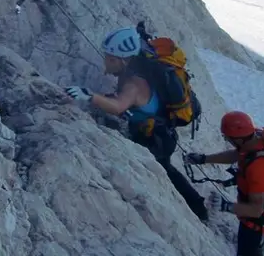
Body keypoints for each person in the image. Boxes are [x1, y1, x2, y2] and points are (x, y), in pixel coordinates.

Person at [65, 26, 209, 222]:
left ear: (125, 60)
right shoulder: (138, 68)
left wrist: (91, 96)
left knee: (165, 173)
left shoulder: (133, 84)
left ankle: (198, 209)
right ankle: (197, 206)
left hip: (155, 139)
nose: (107, 62)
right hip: (158, 131)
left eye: (112, 59)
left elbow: (118, 106)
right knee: (166, 171)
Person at [183, 111, 264, 256]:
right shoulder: (254, 139)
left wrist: (225, 206)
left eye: (228, 138)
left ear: (239, 140)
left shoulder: (258, 168)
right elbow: (237, 154)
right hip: (250, 216)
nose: (226, 140)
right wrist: (204, 159)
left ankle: (259, 242)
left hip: (254, 224)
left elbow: (256, 210)